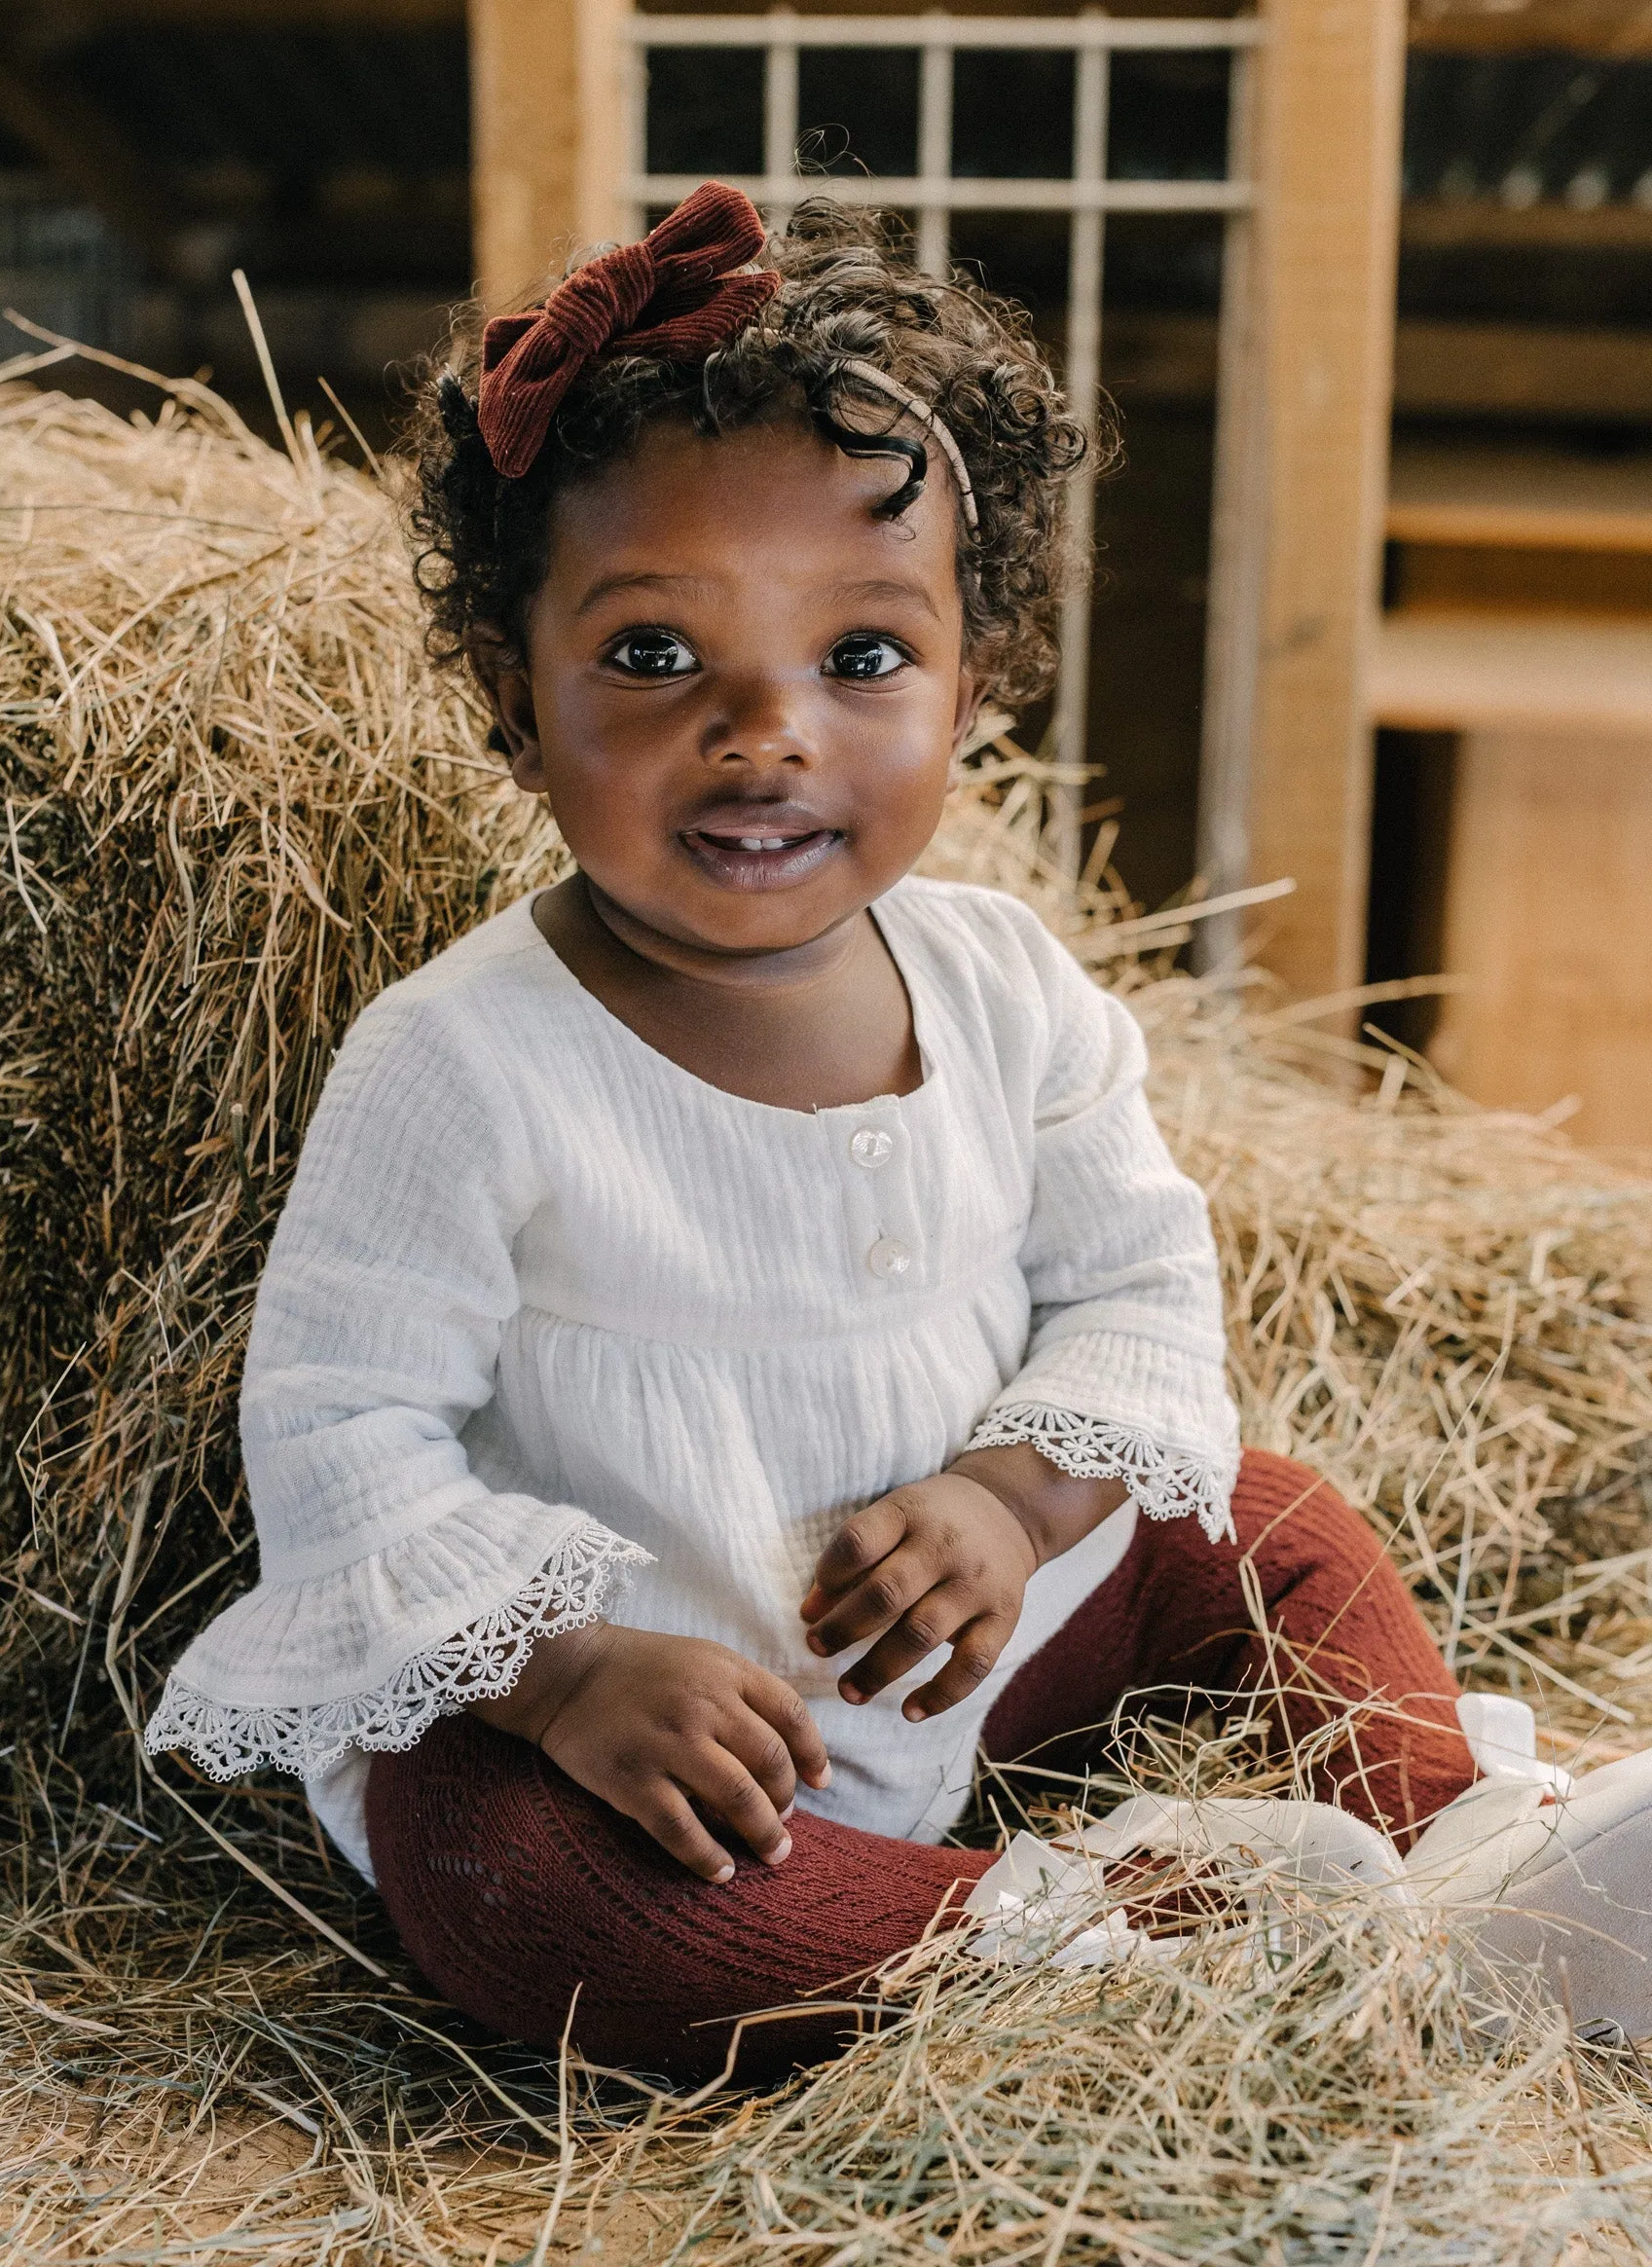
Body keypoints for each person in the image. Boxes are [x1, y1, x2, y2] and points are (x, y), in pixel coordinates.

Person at [142, 187, 1632, 2081]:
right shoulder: (461, 1064)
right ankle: (1089, 1944)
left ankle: (1470, 1848)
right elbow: (340, 1428)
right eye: (656, 657)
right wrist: (568, 1675)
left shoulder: (1005, 986)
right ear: (514, 703)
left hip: (962, 1653)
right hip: (656, 1741)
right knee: (520, 1895)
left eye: (861, 660)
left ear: (973, 689)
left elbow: (1142, 1295)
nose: (768, 735)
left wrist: (1018, 1503)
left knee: (1266, 1524)